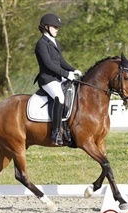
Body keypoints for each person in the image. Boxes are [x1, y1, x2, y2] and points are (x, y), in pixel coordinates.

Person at [34, 13, 82, 146]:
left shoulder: (55, 42)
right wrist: (66, 74)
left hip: (57, 77)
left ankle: (67, 128)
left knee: (72, 93)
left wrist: (73, 70)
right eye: (55, 27)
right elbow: (49, 65)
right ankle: (55, 133)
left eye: (58, 27)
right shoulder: (41, 44)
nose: (57, 29)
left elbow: (61, 61)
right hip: (47, 79)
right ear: (46, 27)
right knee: (59, 97)